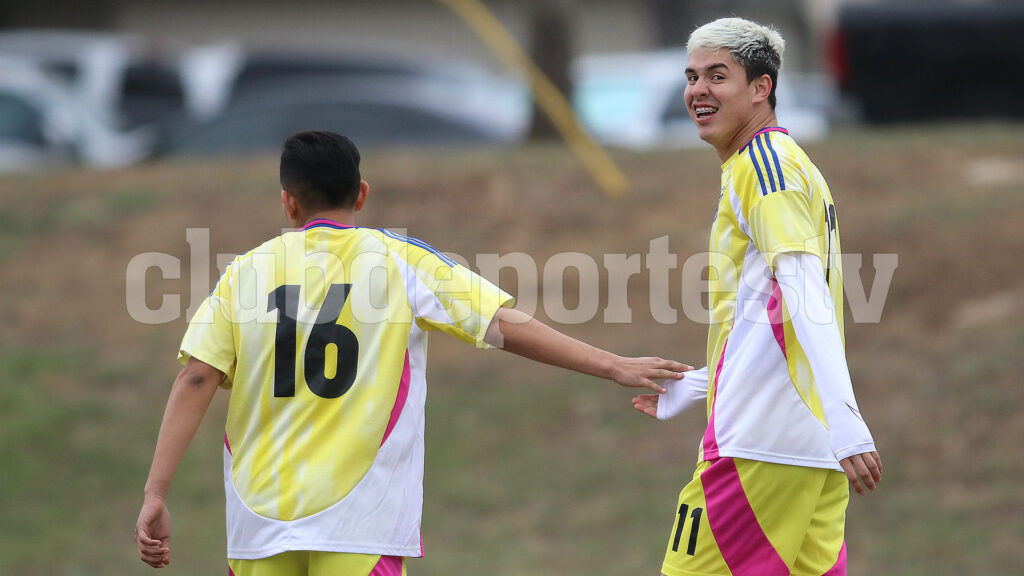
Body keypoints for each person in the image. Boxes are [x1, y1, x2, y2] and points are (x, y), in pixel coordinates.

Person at [134, 130, 689, 575]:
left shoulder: (243, 273)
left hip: (259, 525)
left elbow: (196, 379)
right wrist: (613, 365)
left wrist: (156, 492)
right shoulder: (401, 261)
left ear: (288, 202)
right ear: (362, 193)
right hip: (361, 522)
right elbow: (502, 325)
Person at [630, 17, 882, 576]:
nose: (698, 90)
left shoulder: (764, 164)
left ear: (761, 87)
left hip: (760, 447)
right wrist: (701, 384)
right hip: (805, 448)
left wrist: (846, 420)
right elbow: (770, 315)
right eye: (691, 76)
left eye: (717, 76)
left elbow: (804, 293)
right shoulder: (775, 165)